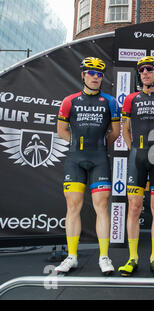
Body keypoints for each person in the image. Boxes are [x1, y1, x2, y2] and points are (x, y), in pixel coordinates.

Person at [55, 57, 121, 275]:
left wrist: (97, 146)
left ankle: (104, 256)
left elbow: (115, 132)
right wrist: (77, 145)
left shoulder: (110, 102)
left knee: (101, 206)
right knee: (73, 207)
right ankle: (71, 256)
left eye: (99, 74)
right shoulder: (69, 101)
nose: (95, 77)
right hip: (75, 159)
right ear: (83, 75)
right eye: (91, 73)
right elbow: (62, 131)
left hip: (99, 158)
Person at [118, 56, 154, 277]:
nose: (145, 73)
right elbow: (125, 129)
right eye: (141, 70)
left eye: (149, 69)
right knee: (133, 208)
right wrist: (134, 149)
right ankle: (132, 257)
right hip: (137, 157)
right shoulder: (131, 99)